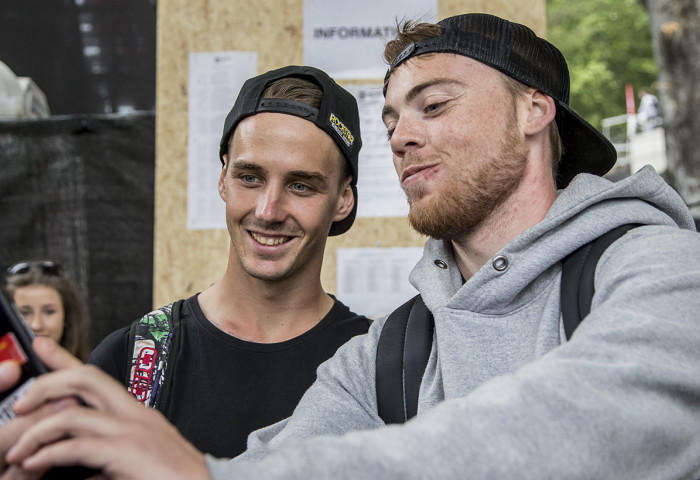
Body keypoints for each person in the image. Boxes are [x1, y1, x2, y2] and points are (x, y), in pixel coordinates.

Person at [2, 13, 700, 480]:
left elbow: (601, 421)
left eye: (434, 105)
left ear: (534, 109)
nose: (401, 136)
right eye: (391, 121)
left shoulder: (657, 265)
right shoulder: (390, 351)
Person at [82, 65, 370, 458]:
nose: (268, 211)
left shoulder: (372, 365)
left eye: (301, 185)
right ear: (222, 179)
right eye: (250, 178)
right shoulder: (137, 360)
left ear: (343, 200)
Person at [3, 260, 90, 362]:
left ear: (66, 316)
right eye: (24, 313)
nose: (36, 325)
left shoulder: (90, 369)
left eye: (49, 312)